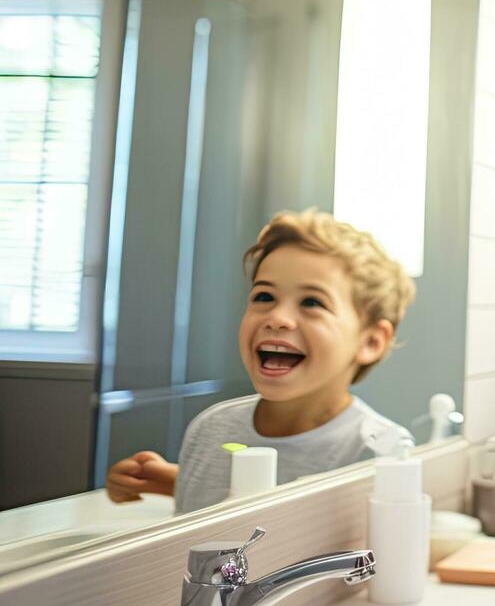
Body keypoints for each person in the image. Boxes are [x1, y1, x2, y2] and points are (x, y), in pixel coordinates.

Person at [105, 209, 415, 513]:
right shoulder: (210, 429)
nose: (277, 318)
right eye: (264, 297)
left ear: (371, 341)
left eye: (312, 302)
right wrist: (178, 481)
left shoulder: (379, 451)